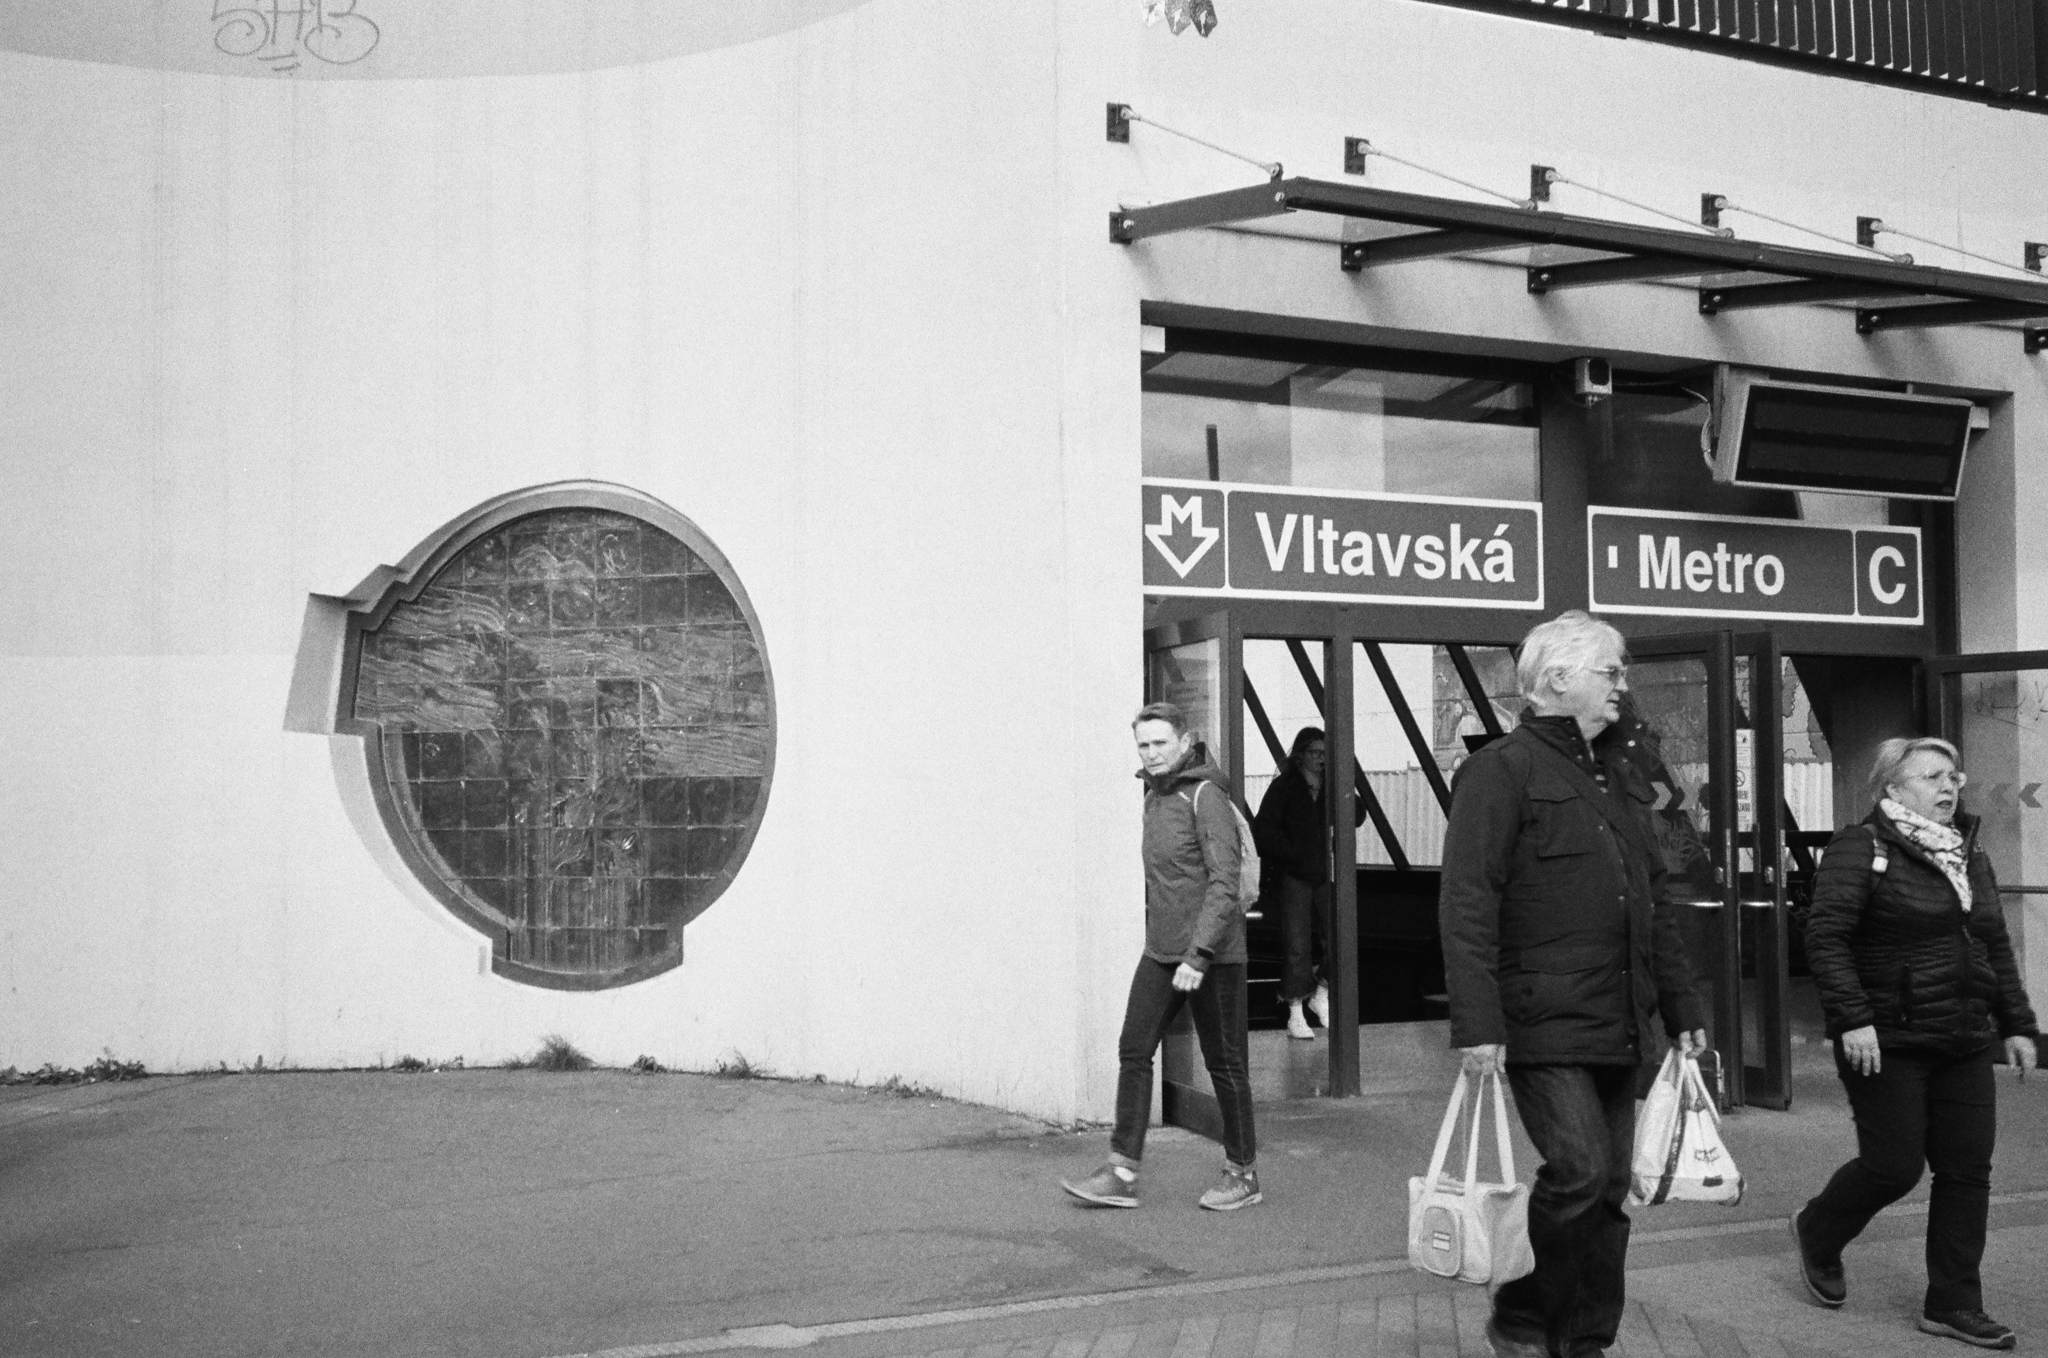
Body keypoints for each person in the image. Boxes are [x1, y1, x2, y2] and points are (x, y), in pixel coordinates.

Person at [1438, 610, 1706, 1358]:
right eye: (1609, 670)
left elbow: (1654, 904)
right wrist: (1478, 1026)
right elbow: (1467, 902)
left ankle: (1585, 1338)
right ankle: (1525, 1317)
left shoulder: (1619, 776)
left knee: (1611, 1185)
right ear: (1557, 678)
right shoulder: (1501, 770)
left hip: (1619, 1015)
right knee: (1580, 1172)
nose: (1622, 683)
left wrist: (1682, 1006)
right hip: (1540, 1016)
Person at [1790, 737, 2039, 1349]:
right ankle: (1819, 1230)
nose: (1948, 786)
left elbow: (1993, 942)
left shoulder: (1968, 851)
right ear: (1892, 788)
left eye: (1953, 776)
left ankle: (1953, 1303)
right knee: (1894, 1167)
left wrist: (2016, 1023)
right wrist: (1853, 1018)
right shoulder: (1861, 846)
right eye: (1931, 776)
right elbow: (1826, 936)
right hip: (1887, 1037)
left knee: (1966, 1171)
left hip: (1964, 1036)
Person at [1062, 701, 1261, 1212]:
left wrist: (1199, 955)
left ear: (1185, 742)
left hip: (1212, 955)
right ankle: (1121, 1171)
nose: (1150, 753)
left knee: (1224, 1064)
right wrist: (1173, 950)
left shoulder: (1206, 796)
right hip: (1163, 951)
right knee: (1134, 1047)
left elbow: (1224, 880)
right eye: (1143, 745)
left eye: (1160, 743)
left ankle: (1242, 1173)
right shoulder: (1155, 797)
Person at [1255, 726, 1336, 1040]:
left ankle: (1322, 992)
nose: (1321, 759)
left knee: (1338, 937)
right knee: (1297, 946)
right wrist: (1293, 853)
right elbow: (1263, 830)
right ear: (1300, 755)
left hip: (1324, 874)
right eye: (1315, 753)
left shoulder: (1330, 785)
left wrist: (1345, 786)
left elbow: (1356, 815)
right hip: (1294, 876)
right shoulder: (1285, 787)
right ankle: (1295, 1012)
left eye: (1324, 753)